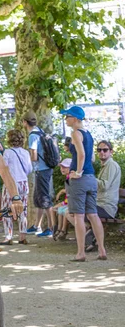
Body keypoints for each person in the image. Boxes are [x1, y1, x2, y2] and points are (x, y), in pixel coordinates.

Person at [60, 106, 107, 261]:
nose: (65, 119)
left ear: (74, 118)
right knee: (93, 215)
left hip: (79, 179)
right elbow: (92, 158)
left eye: (67, 116)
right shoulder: (88, 134)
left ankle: (81, 253)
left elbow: (82, 154)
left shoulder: (75, 133)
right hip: (91, 178)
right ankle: (102, 250)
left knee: (79, 216)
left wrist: (78, 171)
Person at [22, 110, 55, 237]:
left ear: (25, 122)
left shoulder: (32, 136)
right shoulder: (40, 131)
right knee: (38, 198)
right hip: (44, 169)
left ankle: (51, 228)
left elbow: (34, 156)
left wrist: (26, 160)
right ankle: (37, 226)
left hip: (41, 170)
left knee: (45, 199)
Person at [84, 140, 121, 252]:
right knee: (75, 210)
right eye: (99, 150)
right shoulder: (106, 166)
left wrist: (90, 178)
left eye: (105, 150)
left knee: (80, 211)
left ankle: (92, 238)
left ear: (111, 152)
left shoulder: (111, 165)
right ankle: (92, 237)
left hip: (106, 207)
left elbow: (104, 185)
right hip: (100, 204)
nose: (102, 152)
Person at [0, 130, 33, 245]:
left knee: (7, 209)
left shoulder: (7, 152)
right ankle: (22, 235)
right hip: (23, 182)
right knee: (23, 209)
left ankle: (8, 236)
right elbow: (29, 169)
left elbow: (3, 168)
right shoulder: (25, 152)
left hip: (11, 183)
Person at [52, 158, 72, 241]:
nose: (62, 169)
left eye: (65, 167)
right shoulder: (68, 177)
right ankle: (56, 228)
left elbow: (70, 192)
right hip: (67, 201)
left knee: (63, 210)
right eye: (61, 167)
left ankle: (62, 230)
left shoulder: (71, 177)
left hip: (70, 202)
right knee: (54, 209)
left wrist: (61, 192)